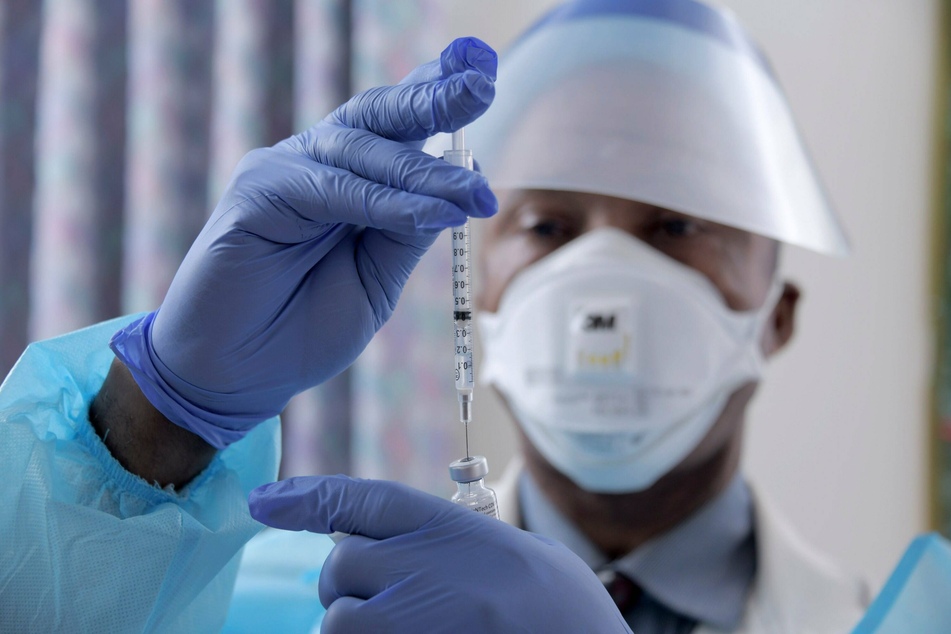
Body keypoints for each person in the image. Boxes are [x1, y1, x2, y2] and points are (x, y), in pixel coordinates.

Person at [0, 1, 871, 633]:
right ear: (482, 288)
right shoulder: (293, 601)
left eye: (674, 224)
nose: (600, 280)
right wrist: (158, 420)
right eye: (548, 227)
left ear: (777, 314)